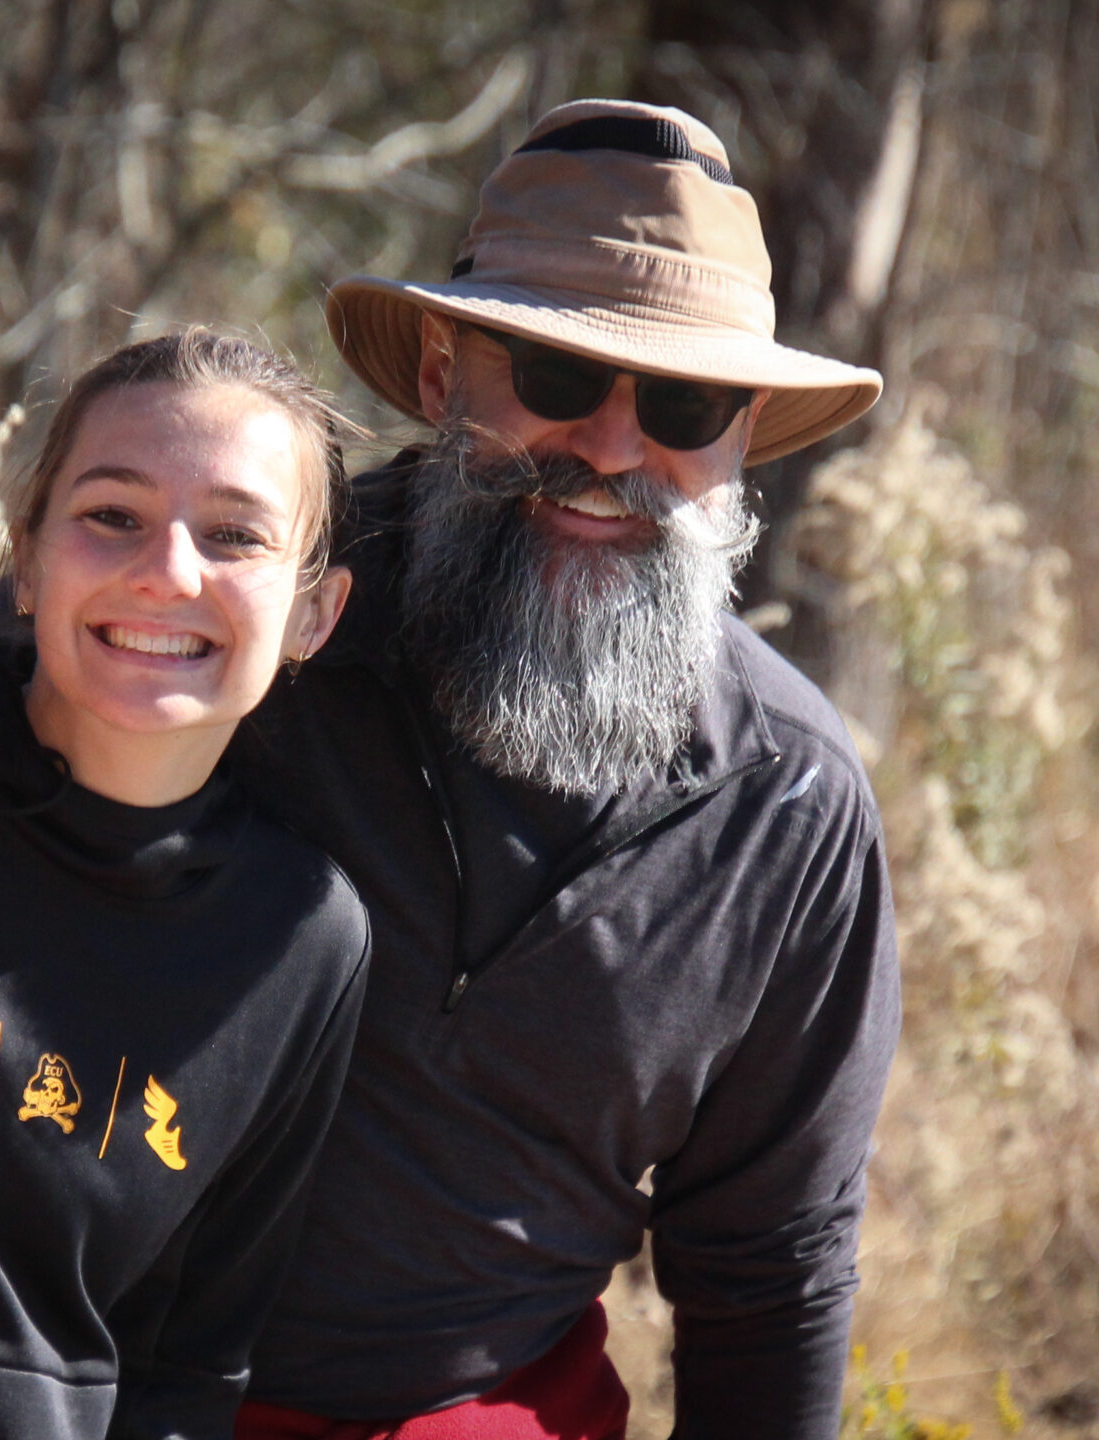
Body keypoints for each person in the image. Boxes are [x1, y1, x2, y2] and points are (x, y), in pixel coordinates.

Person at [217, 100, 901, 1440]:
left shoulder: (786, 807)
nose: (611, 449)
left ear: (743, 435)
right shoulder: (239, 619)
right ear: (440, 373)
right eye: (557, 373)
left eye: (686, 403)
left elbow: (771, 1276)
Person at [0, 330, 372, 1439]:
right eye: (113, 515)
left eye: (235, 535)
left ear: (315, 615)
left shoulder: (301, 936)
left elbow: (188, 1361)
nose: (167, 572)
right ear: (24, 559)